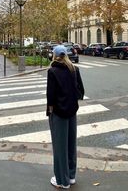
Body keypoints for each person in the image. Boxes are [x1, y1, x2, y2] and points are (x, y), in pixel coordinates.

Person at [46, 45, 84, 189]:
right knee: (70, 144)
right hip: (72, 111)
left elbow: (50, 96)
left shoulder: (53, 71)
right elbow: (81, 91)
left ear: (54, 56)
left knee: (60, 146)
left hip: (58, 113)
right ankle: (71, 175)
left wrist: (50, 111)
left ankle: (62, 180)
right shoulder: (74, 69)